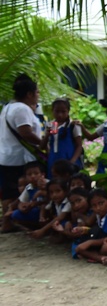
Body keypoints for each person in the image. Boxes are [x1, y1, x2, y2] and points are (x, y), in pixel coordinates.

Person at [1, 75, 44, 221]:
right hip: (19, 157)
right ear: (29, 94)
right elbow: (25, 132)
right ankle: (9, 221)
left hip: (7, 155)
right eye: (37, 92)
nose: (38, 96)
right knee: (16, 190)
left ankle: (7, 221)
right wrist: (42, 144)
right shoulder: (22, 109)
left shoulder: (8, 107)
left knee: (9, 190)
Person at [46, 98, 83, 176]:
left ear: (68, 111)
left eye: (63, 112)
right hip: (54, 160)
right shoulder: (52, 125)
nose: (60, 114)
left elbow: (79, 145)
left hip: (69, 159)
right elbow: (43, 145)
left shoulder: (73, 125)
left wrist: (72, 162)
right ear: (52, 111)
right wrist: (47, 134)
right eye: (57, 111)